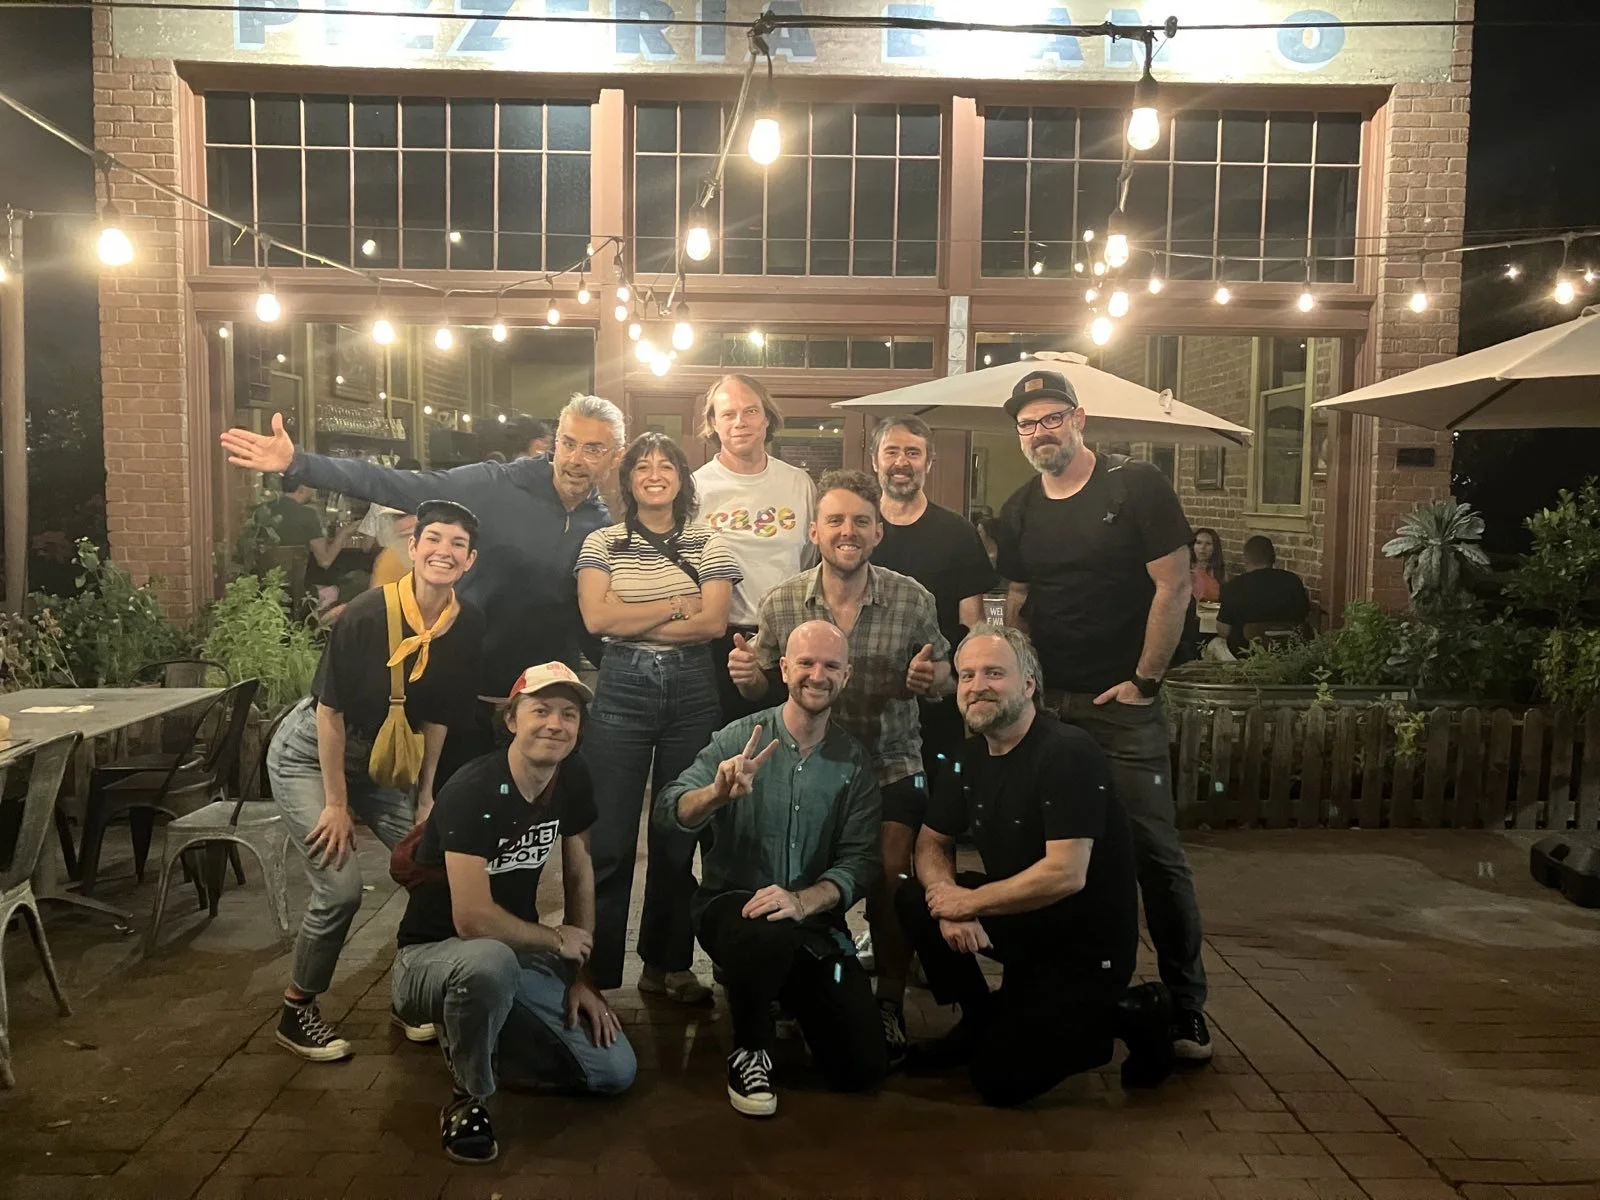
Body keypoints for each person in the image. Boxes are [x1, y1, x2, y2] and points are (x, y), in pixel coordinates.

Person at [222, 394, 622, 779]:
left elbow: (585, 615)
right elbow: (397, 484)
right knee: (452, 815)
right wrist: (299, 463)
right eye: (568, 443)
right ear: (555, 442)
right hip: (466, 702)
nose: (576, 459)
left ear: (614, 457)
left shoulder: (599, 525)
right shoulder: (496, 484)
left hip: (542, 706)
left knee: (536, 816)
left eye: (593, 449)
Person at [994, 369, 1212, 1063]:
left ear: (1079, 418)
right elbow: (1017, 602)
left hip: (1122, 709)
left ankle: (1186, 1007)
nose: (1040, 433)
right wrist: (1025, 684)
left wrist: (1145, 681)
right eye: (1027, 424)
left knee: (1154, 855)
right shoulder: (1020, 508)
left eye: (1051, 418)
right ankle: (1055, 995)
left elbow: (1174, 586)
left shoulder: (1135, 486)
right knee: (1049, 858)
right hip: (1050, 709)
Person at [896, 624, 1174, 1105]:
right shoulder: (968, 756)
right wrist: (947, 901)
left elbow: (1066, 873)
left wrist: (969, 902)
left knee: (1000, 1082)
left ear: (1029, 685)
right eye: (967, 675)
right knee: (913, 896)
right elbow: (931, 842)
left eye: (994, 673)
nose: (977, 686)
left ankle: (1131, 1011)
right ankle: (981, 1020)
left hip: (1084, 947)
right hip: (1024, 921)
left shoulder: (1067, 753)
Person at [728, 468, 949, 1066]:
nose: (847, 531)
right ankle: (792, 980)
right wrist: (748, 681)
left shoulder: (912, 598)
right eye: (835, 520)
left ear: (878, 532)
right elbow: (765, 686)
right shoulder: (782, 601)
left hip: (889, 761)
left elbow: (944, 676)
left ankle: (889, 1002)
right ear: (815, 531)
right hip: (810, 763)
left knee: (890, 876)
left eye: (860, 521)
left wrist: (931, 679)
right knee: (786, 870)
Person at [391, 663, 636, 1164]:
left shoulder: (571, 776)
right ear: (511, 720)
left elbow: (580, 873)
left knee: (613, 1072)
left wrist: (582, 977)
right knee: (488, 963)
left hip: (512, 954)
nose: (554, 724)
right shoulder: (473, 789)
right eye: (540, 710)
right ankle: (469, 1097)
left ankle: (478, 1033)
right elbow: (472, 920)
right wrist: (555, 940)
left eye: (569, 714)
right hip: (431, 956)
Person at [267, 500, 485, 1062]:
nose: (444, 551)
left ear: (470, 560)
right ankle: (296, 1009)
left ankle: (412, 995)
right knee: (340, 890)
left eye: (457, 544)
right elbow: (329, 714)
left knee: (435, 868)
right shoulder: (366, 615)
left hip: (385, 763)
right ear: (412, 548)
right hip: (311, 757)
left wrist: (427, 797)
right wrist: (336, 804)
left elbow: (440, 715)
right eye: (433, 538)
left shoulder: (466, 624)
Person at [657, 621, 885, 1118]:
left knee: (862, 1067)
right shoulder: (738, 738)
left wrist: (804, 901)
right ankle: (750, 1048)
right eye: (806, 663)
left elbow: (861, 861)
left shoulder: (854, 762)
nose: (817, 675)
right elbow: (671, 809)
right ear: (783, 669)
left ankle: (789, 992)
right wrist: (715, 794)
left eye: (830, 666)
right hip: (733, 910)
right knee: (766, 928)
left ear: (846, 676)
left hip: (811, 925)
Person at [574, 432, 741, 1003]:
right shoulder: (602, 542)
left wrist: (632, 615)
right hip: (622, 686)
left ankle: (667, 964)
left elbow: (712, 624)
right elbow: (597, 620)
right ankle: (594, 973)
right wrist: (674, 605)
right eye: (642, 466)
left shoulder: (708, 542)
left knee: (678, 832)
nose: (653, 474)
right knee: (609, 838)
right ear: (627, 481)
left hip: (693, 689)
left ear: (681, 479)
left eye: (665, 466)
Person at [869, 415, 997, 793]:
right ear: (875, 460)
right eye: (891, 452)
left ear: (929, 462)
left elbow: (972, 624)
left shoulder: (957, 533)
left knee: (937, 810)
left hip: (936, 702)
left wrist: (956, 680)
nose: (901, 462)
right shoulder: (857, 528)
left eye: (913, 453)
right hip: (863, 703)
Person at [691, 375, 817, 722]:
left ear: (767, 418)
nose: (740, 422)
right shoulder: (695, 488)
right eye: (728, 414)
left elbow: (809, 561)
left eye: (750, 411)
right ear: (714, 423)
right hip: (718, 644)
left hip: (789, 640)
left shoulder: (798, 483)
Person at [1217, 535, 1312, 656]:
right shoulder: (1292, 581)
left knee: (1214, 644)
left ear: (1245, 558)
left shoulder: (1233, 586)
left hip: (1244, 654)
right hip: (1289, 652)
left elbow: (1224, 631)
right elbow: (1303, 615)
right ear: (1273, 558)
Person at [1190, 528, 1225, 603]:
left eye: (1208, 543)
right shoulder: (1184, 569)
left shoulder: (1219, 573)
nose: (1202, 547)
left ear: (1215, 548)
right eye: (1199, 542)